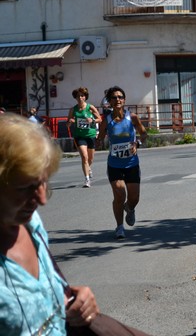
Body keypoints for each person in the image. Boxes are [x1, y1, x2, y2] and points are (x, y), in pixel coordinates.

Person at [0, 113, 100, 335]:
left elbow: (43, 297)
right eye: (25, 187)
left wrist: (72, 297)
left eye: (44, 182)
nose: (43, 200)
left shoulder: (30, 222)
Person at [96, 86, 147, 239]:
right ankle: (119, 227)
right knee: (119, 194)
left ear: (124, 100)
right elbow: (99, 138)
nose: (117, 99)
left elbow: (144, 133)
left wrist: (137, 142)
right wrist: (97, 142)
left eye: (120, 97)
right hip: (114, 164)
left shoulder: (132, 117)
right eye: (114, 97)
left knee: (134, 198)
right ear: (110, 101)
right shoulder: (107, 121)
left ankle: (129, 209)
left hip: (131, 163)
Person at [67, 87, 102, 188]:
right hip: (79, 136)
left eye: (82, 96)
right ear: (75, 98)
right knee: (84, 157)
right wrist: (70, 122)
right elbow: (67, 124)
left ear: (85, 97)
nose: (80, 98)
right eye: (78, 96)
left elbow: (100, 119)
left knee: (90, 158)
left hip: (90, 135)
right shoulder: (73, 110)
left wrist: (92, 120)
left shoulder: (90, 107)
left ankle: (89, 168)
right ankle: (87, 179)